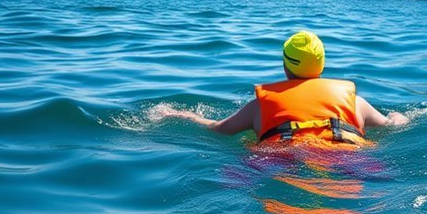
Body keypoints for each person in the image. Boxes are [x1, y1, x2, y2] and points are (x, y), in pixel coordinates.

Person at [166, 31, 408, 145]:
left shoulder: (259, 107)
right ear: (322, 64)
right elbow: (391, 126)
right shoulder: (356, 103)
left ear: (285, 66)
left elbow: (217, 129)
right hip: (348, 158)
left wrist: (185, 116)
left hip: (280, 160)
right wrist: (399, 117)